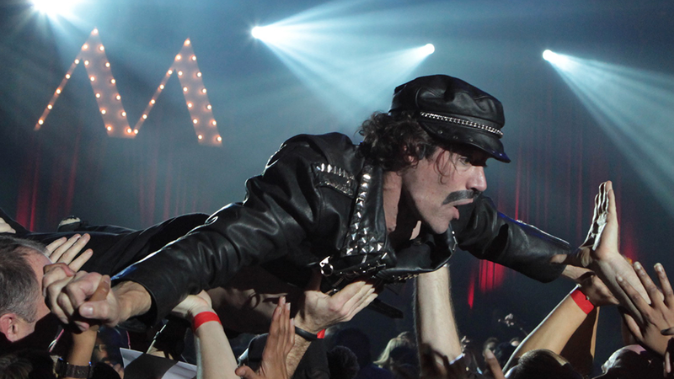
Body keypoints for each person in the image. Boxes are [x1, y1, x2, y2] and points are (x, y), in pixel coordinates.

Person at [48, 75, 583, 344]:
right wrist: (123, 297)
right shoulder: (325, 179)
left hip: (224, 332)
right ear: (408, 148)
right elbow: (216, 247)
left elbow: (519, 244)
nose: (479, 181)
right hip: (143, 262)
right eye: (466, 160)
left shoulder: (456, 209)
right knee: (28, 260)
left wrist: (603, 268)